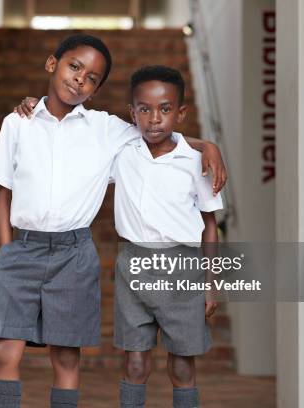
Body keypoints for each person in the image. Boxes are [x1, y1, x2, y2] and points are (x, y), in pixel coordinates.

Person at [0, 35, 225, 408]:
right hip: (23, 249)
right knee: (5, 353)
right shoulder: (19, 123)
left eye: (92, 78)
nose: (80, 79)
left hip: (74, 253)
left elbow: (158, 133)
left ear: (96, 91)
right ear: (53, 64)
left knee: (65, 356)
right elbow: (3, 191)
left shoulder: (105, 130)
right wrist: (6, 251)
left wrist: (206, 145)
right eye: (74, 67)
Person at [111, 65, 223, 408]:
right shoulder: (121, 149)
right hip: (132, 264)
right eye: (144, 109)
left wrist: (211, 282)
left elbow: (210, 225)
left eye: (165, 109)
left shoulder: (196, 162)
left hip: (183, 267)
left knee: (182, 363)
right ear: (132, 113)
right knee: (134, 362)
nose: (154, 119)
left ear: (180, 112)